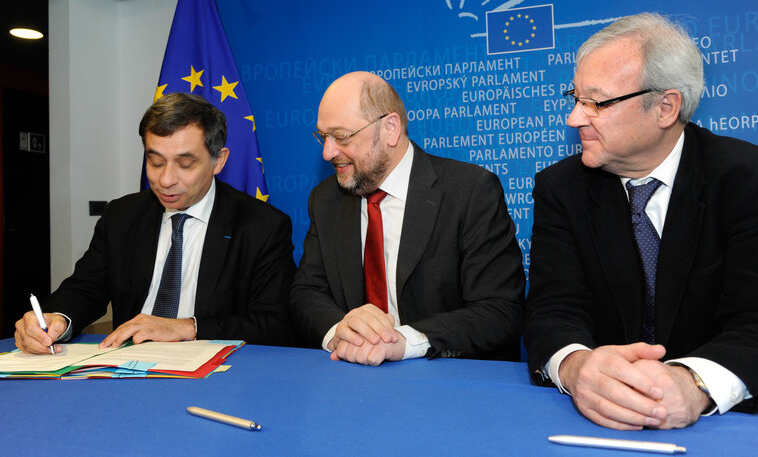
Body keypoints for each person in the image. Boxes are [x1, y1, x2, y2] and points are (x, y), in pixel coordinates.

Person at [524, 13, 758, 430]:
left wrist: (692, 383)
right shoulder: (561, 187)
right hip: (596, 422)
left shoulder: (750, 180)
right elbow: (553, 307)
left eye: (596, 103)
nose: (575, 119)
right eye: (575, 98)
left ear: (666, 107)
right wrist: (577, 366)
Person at [15, 93, 296, 353]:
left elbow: (275, 324)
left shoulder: (262, 226)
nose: (165, 180)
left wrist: (188, 327)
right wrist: (56, 319)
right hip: (128, 368)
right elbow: (85, 289)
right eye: (155, 161)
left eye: (184, 164)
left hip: (216, 373)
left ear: (218, 160)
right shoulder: (122, 215)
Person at [290, 71, 525, 366]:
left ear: (390, 128)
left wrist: (405, 342)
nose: (328, 152)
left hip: (448, 383)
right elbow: (306, 293)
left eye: (341, 136)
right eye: (323, 136)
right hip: (353, 383)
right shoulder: (326, 199)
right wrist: (342, 330)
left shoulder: (469, 192)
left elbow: (500, 311)